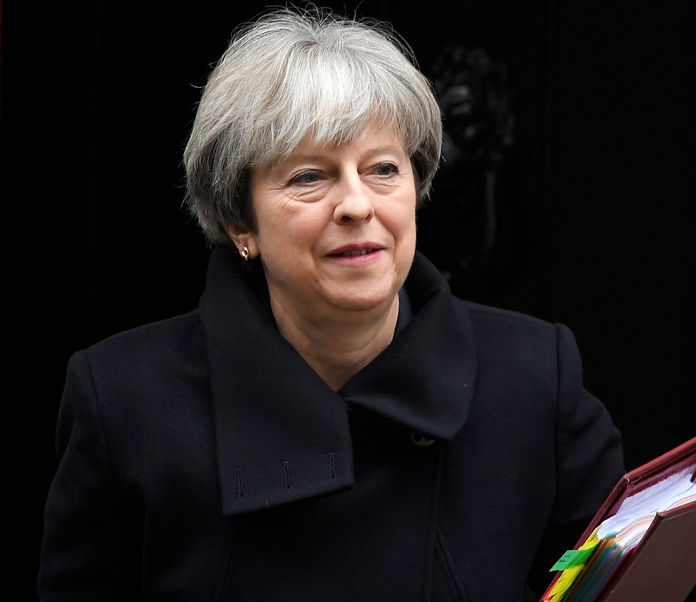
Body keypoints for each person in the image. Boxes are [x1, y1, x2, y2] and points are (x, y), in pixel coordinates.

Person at [38, 6, 624, 600]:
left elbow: (611, 585)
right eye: (309, 177)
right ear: (242, 220)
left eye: (383, 169)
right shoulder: (122, 399)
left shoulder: (533, 377)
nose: (357, 205)